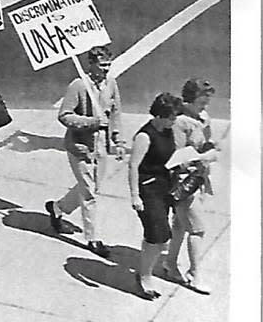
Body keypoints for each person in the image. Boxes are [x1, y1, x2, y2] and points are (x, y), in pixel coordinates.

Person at [45, 45, 123, 258]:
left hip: (101, 147)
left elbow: (115, 113)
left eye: (109, 64)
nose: (106, 69)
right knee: (89, 193)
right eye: (102, 65)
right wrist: (92, 122)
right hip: (79, 146)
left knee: (91, 187)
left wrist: (118, 140)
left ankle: (57, 208)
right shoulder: (79, 85)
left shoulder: (111, 84)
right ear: (91, 64)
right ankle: (93, 239)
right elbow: (64, 115)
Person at [165, 79, 220, 295]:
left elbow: (208, 140)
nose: (204, 107)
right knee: (198, 229)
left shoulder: (203, 118)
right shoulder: (180, 122)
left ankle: (170, 264)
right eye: (201, 102)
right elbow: (175, 157)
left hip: (198, 178)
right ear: (189, 101)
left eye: (206, 102)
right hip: (183, 181)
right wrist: (200, 157)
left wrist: (211, 149)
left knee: (179, 224)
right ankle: (195, 274)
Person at [128, 93, 185, 300]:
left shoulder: (167, 131)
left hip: (163, 187)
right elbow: (133, 166)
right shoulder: (145, 136)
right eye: (171, 117)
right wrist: (135, 195)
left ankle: (144, 272)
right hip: (147, 189)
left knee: (158, 236)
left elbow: (168, 156)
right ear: (160, 115)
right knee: (158, 234)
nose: (174, 120)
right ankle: (144, 277)